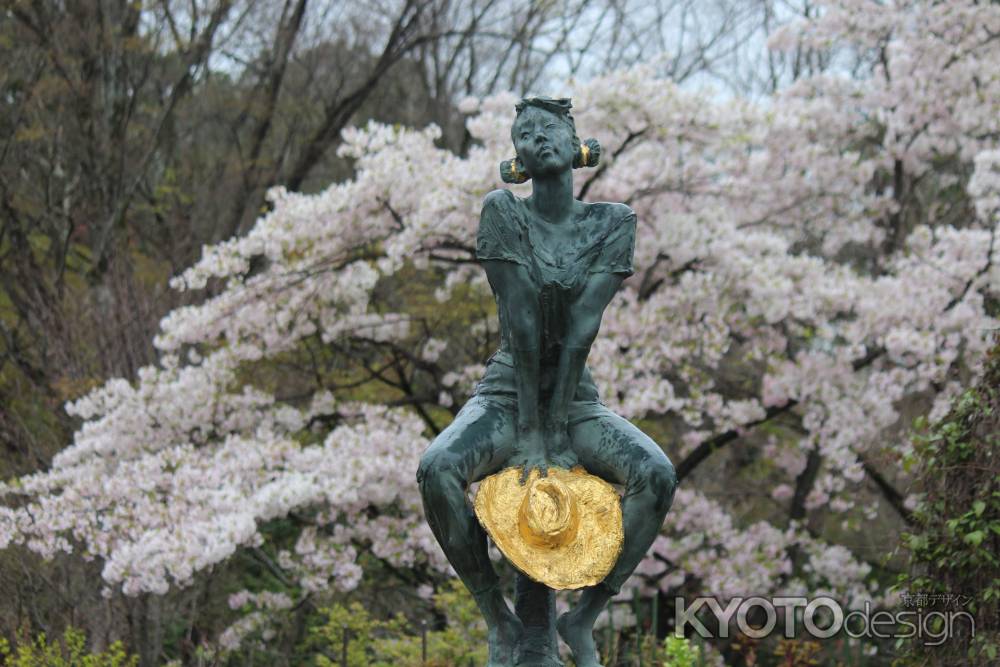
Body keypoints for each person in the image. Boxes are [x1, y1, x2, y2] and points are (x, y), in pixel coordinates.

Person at [417, 97, 677, 667]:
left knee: (656, 473)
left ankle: (584, 614)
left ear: (574, 140)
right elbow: (523, 321)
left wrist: (557, 428)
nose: (539, 138)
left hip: (576, 399)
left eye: (549, 128)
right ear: (517, 161)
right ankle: (499, 620)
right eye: (525, 134)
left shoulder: (614, 222)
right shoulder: (504, 212)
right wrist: (534, 433)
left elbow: (584, 324)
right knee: (437, 469)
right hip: (508, 394)